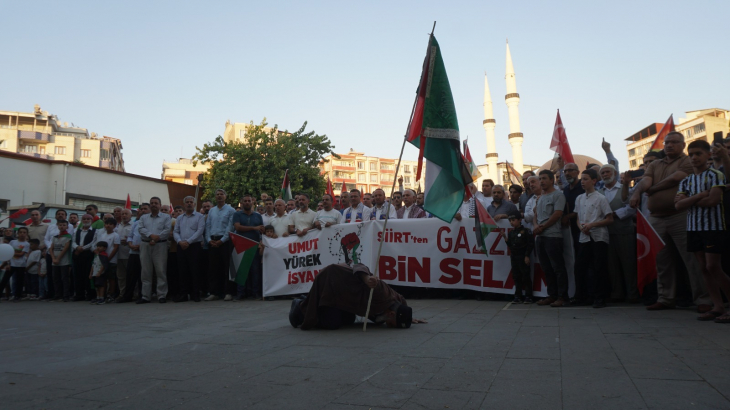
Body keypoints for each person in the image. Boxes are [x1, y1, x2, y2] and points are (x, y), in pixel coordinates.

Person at [630, 131, 711, 312]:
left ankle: (703, 298)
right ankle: (666, 298)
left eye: (674, 142)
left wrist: (652, 190)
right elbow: (645, 181)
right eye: (667, 142)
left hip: (680, 215)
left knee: (691, 259)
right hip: (656, 217)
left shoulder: (686, 161)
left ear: (683, 145)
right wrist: (637, 192)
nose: (669, 145)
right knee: (661, 260)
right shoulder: (655, 164)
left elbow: (676, 178)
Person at [675, 140, 730, 322]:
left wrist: (689, 200)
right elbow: (678, 205)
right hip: (693, 228)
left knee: (713, 266)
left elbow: (713, 201)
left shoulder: (715, 175)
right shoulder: (686, 181)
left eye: (698, 153)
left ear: (708, 155)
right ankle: (718, 306)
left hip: (713, 227)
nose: (694, 158)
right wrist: (699, 195)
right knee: (703, 269)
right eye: (691, 154)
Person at [289, 263, 425, 330]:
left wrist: (408, 316)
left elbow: (401, 301)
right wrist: (366, 279)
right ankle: (299, 304)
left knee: (349, 319)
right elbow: (359, 266)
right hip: (334, 279)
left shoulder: (395, 301)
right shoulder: (380, 291)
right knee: (331, 323)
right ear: (390, 314)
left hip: (345, 296)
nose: (388, 326)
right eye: (392, 324)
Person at [574, 169, 614, 308]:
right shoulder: (579, 198)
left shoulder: (601, 198)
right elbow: (578, 218)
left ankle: (600, 297)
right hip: (584, 236)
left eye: (585, 179)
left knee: (599, 267)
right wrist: (581, 227)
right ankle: (582, 296)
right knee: (580, 266)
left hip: (599, 236)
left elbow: (609, 219)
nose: (582, 182)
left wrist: (592, 225)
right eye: (581, 179)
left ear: (593, 181)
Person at [599, 164, 638, 303]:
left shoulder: (625, 188)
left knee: (628, 263)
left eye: (607, 172)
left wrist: (614, 214)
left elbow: (632, 208)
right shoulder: (599, 192)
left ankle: (632, 294)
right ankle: (617, 293)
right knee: (612, 265)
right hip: (607, 233)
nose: (605, 175)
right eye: (602, 173)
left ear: (615, 173)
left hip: (624, 231)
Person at [533, 170, 569, 307]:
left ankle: (562, 297)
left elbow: (558, 214)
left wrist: (543, 227)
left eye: (544, 179)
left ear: (551, 180)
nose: (541, 181)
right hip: (541, 237)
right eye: (540, 179)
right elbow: (535, 214)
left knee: (558, 268)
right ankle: (551, 295)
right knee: (546, 268)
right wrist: (536, 226)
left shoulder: (558, 195)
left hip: (553, 236)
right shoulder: (541, 197)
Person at [137, 197, 172, 304]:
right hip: (145, 244)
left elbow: (167, 230)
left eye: (156, 203)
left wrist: (156, 238)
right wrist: (151, 236)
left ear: (160, 205)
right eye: (152, 203)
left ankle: (161, 295)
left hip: (160, 245)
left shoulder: (166, 217)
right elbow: (141, 229)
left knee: (160, 271)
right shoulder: (144, 217)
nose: (153, 205)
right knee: (146, 271)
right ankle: (145, 296)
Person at [204, 189, 235, 302]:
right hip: (212, 241)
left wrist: (222, 240)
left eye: (222, 194)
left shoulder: (230, 210)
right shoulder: (212, 211)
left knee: (227, 268)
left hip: (225, 241)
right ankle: (214, 292)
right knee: (213, 268)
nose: (219, 196)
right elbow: (207, 226)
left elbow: (230, 227)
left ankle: (228, 292)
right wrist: (208, 240)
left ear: (225, 196)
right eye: (217, 194)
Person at [173, 196, 205, 302]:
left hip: (194, 246)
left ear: (195, 204)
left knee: (195, 270)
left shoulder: (199, 217)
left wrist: (188, 241)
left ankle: (195, 293)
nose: (189, 204)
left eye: (191, 202)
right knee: (182, 271)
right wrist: (179, 241)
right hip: (181, 246)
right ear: (184, 204)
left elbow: (200, 231)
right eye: (187, 202)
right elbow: (175, 231)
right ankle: (183, 294)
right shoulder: (180, 218)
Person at [232, 194, 265, 300]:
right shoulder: (237, 214)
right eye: (245, 201)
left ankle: (255, 293)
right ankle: (240, 293)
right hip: (241, 244)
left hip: (254, 245)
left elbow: (261, 230)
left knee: (255, 271)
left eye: (249, 201)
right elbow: (237, 227)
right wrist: (254, 228)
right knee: (241, 270)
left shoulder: (258, 216)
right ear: (241, 203)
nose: (247, 202)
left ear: (252, 202)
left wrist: (261, 239)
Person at [500, 211, 534, 304]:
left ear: (519, 220)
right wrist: (505, 238)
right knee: (516, 276)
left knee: (525, 276)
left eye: (513, 220)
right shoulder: (511, 233)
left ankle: (528, 296)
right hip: (514, 257)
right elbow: (511, 245)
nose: (511, 222)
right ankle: (518, 295)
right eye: (510, 220)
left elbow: (530, 244)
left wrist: (527, 255)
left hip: (523, 256)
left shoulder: (526, 231)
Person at [121, 203, 149, 303]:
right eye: (141, 209)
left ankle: (142, 296)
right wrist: (130, 244)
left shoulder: (151, 222)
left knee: (143, 276)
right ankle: (127, 296)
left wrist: (140, 245)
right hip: (133, 252)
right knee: (130, 276)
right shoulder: (136, 223)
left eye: (145, 209)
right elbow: (130, 235)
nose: (143, 211)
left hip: (145, 252)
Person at [72, 214, 97, 301]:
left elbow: (93, 242)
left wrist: (82, 248)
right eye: (84, 219)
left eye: (88, 219)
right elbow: (73, 242)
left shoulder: (95, 231)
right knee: (78, 275)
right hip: (78, 255)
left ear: (91, 220)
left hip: (88, 255)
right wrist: (77, 247)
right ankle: (79, 294)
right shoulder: (77, 231)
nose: (86, 220)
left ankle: (89, 294)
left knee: (88, 275)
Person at [95, 218, 120, 301]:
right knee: (103, 278)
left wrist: (108, 259)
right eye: (106, 224)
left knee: (111, 278)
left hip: (111, 260)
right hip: (102, 260)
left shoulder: (115, 235)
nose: (108, 225)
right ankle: (103, 294)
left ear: (114, 226)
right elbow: (98, 246)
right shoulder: (102, 235)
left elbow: (116, 247)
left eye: (110, 224)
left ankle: (111, 294)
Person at [50, 220, 73, 302]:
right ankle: (57, 294)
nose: (62, 226)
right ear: (58, 226)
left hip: (64, 261)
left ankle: (66, 295)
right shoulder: (55, 237)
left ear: (67, 226)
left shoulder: (68, 236)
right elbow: (51, 248)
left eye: (64, 225)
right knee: (55, 278)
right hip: (54, 261)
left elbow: (65, 248)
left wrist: (58, 258)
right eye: (60, 225)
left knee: (65, 278)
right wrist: (53, 258)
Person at [114, 209, 133, 302]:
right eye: (122, 214)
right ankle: (122, 294)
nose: (124, 216)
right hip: (118, 255)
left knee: (131, 276)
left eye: (126, 214)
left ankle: (134, 294)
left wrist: (128, 241)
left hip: (129, 254)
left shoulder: (134, 225)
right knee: (121, 277)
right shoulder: (118, 226)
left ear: (131, 215)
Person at [8, 227, 30, 301]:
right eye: (21, 232)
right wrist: (8, 263)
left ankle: (18, 296)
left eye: (24, 232)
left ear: (27, 234)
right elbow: (8, 253)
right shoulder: (12, 242)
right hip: (11, 264)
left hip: (21, 265)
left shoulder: (26, 244)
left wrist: (12, 253)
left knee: (19, 281)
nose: (22, 234)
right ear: (18, 233)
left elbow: (21, 254)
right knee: (5, 279)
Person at [89, 241, 110, 305]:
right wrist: (91, 273)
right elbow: (93, 264)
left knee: (101, 285)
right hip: (95, 273)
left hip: (100, 273)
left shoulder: (104, 255)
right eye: (97, 246)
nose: (98, 248)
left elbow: (104, 265)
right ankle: (98, 297)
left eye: (100, 247)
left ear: (104, 248)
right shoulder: (96, 255)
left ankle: (102, 297)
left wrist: (100, 272)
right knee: (96, 286)